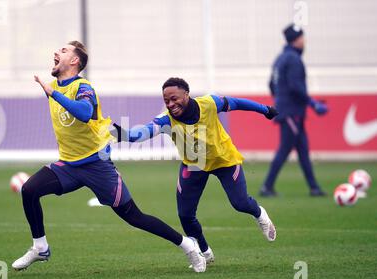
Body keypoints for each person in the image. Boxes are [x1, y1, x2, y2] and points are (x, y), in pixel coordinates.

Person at [12, 41, 206, 273]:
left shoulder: (83, 87)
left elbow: (84, 113)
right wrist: (52, 91)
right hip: (68, 165)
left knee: (134, 217)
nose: (56, 52)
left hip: (97, 166)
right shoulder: (54, 86)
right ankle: (40, 247)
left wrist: (52, 93)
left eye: (63, 51)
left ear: (75, 61)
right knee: (29, 190)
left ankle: (187, 245)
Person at [112, 77, 279, 264]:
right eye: (166, 101)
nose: (171, 104)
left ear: (187, 94)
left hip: (224, 160)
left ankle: (259, 214)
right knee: (185, 215)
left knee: (240, 203)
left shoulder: (209, 103)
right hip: (194, 165)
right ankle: (204, 251)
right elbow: (145, 132)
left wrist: (265, 110)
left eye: (174, 98)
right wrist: (125, 135)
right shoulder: (166, 120)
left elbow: (237, 103)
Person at [259, 24, 328, 197]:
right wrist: (313, 104)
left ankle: (314, 187)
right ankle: (267, 187)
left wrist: (279, 101)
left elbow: (271, 84)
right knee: (285, 149)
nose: (304, 41)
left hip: (287, 110)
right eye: (302, 38)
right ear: (296, 40)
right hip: (292, 113)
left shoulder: (281, 58)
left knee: (303, 150)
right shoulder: (293, 59)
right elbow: (296, 87)